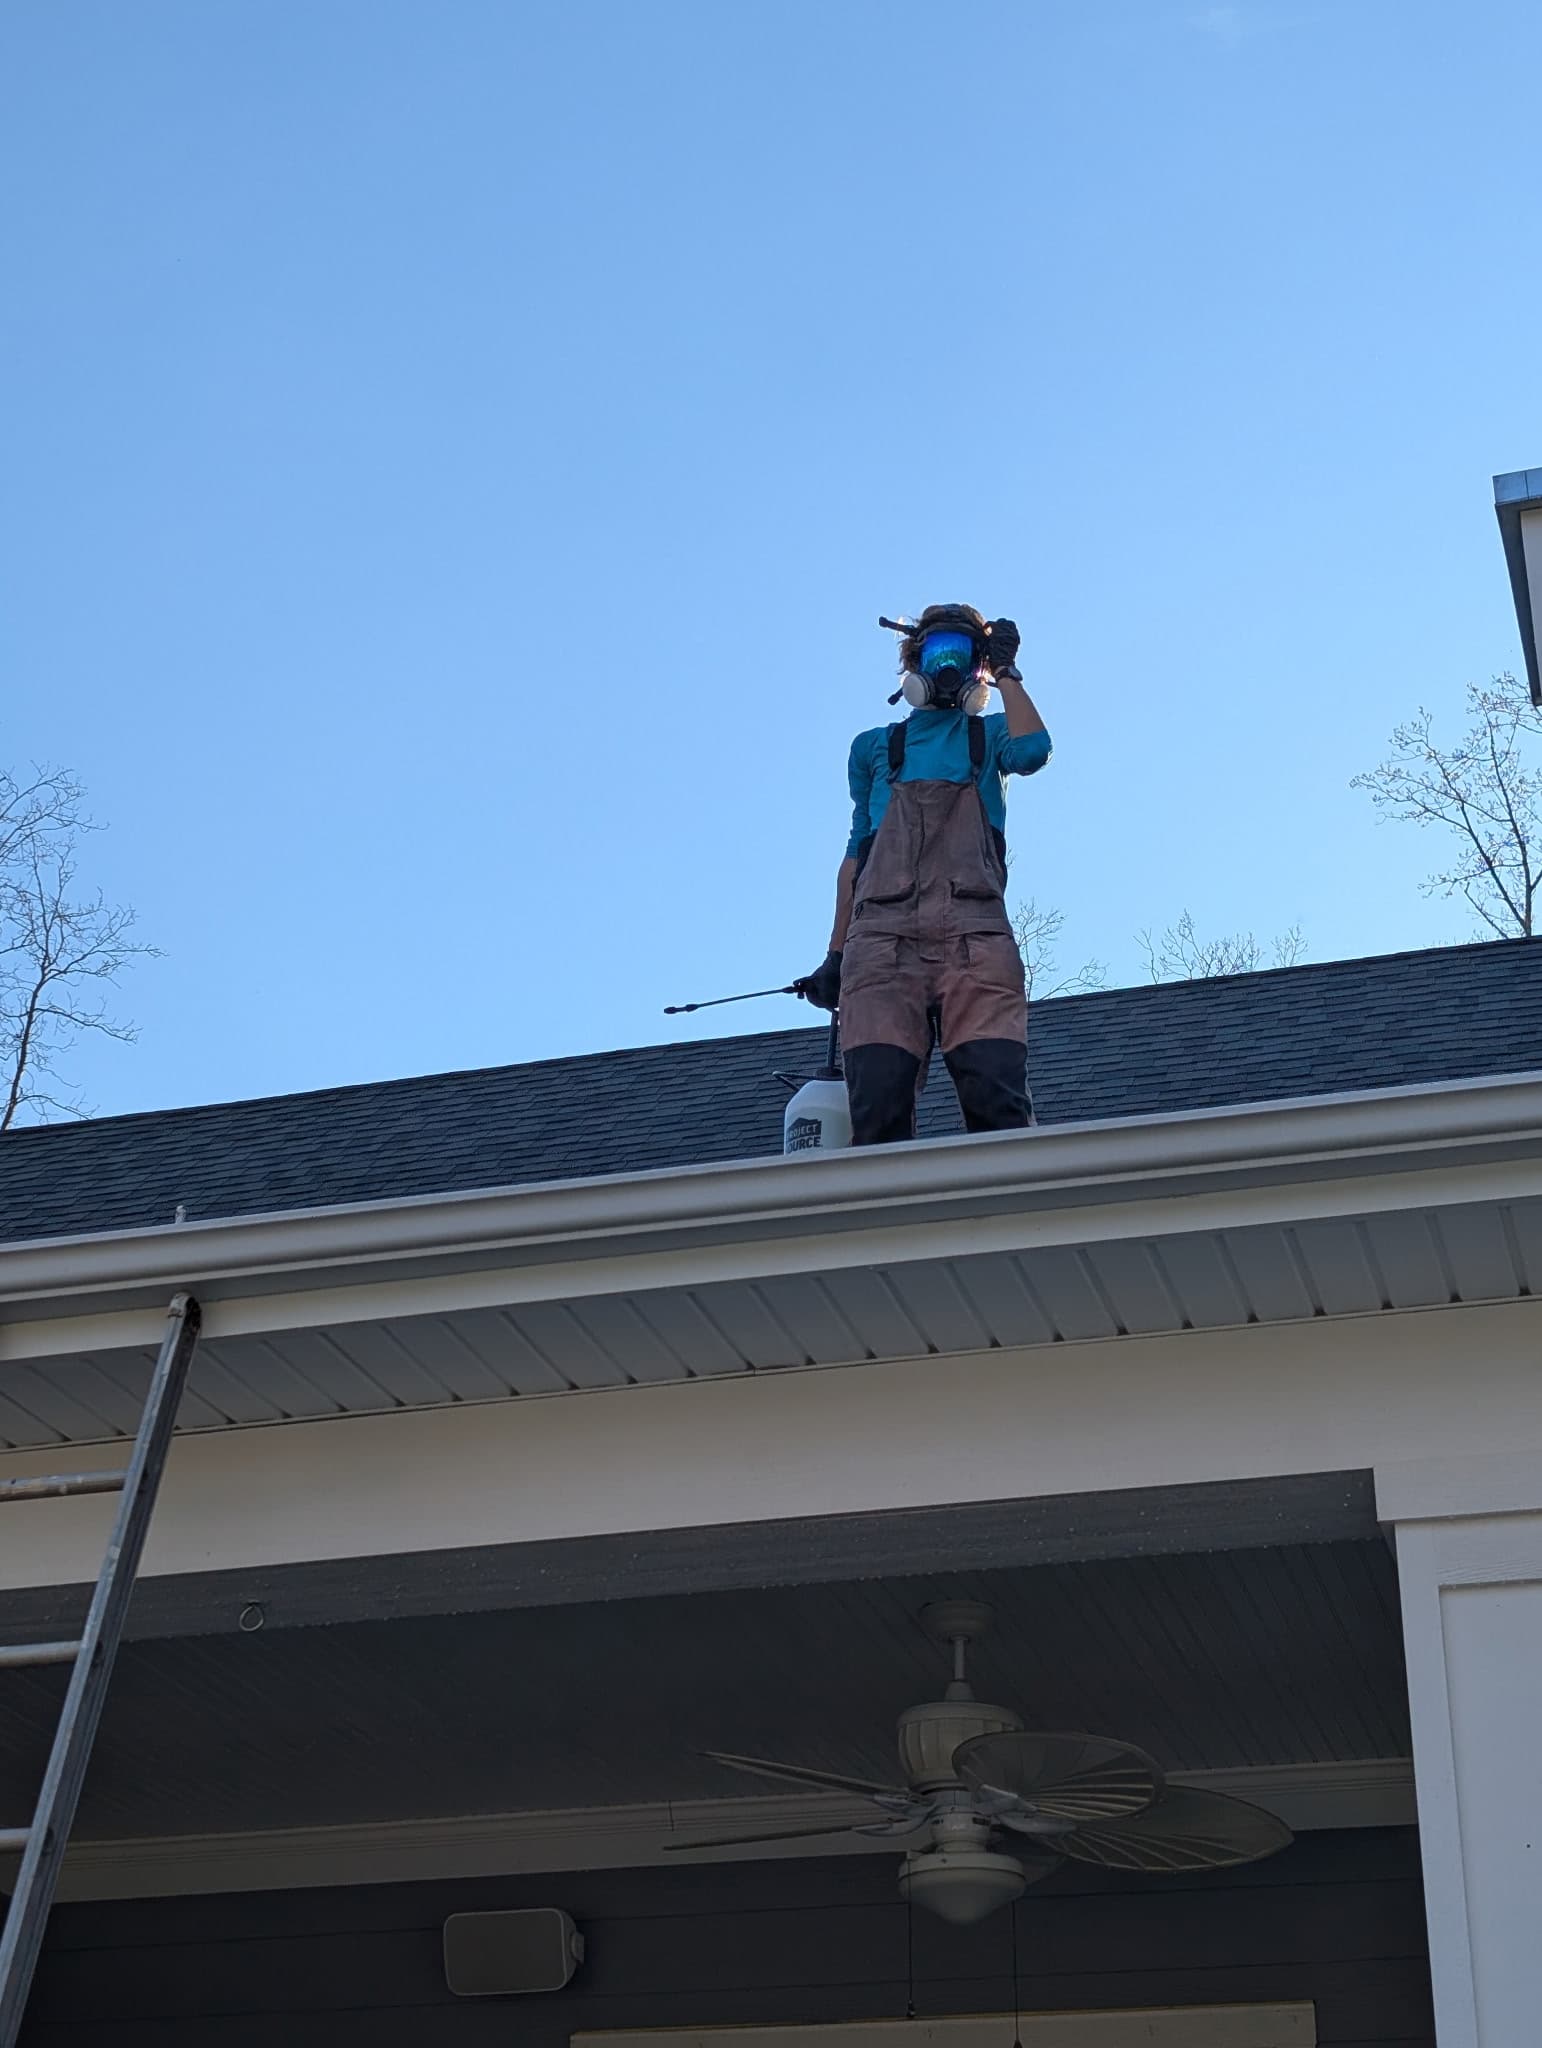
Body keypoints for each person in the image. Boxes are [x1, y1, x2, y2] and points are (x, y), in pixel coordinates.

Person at [795, 604, 1052, 1146]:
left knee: (998, 1102)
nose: (948, 667)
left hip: (974, 936)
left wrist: (1007, 673)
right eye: (938, 653)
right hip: (881, 942)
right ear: (914, 662)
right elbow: (856, 857)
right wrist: (836, 954)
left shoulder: (989, 738)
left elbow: (1033, 750)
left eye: (962, 654)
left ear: (979, 666)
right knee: (878, 1107)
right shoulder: (875, 749)